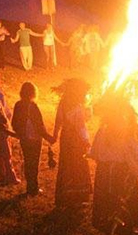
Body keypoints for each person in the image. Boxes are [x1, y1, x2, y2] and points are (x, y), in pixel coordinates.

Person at [90, 95, 138, 234]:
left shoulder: (101, 132)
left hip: (104, 172)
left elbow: (94, 153)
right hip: (121, 173)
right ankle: (124, 227)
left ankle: (108, 225)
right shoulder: (125, 135)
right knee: (124, 199)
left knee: (107, 198)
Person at [53, 78, 92, 208]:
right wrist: (86, 141)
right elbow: (80, 126)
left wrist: (55, 135)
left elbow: (58, 120)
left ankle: (65, 195)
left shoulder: (63, 103)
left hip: (66, 137)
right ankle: (77, 197)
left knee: (66, 164)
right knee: (77, 165)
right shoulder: (76, 106)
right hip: (75, 139)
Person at [12, 82, 53, 194]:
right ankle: (33, 188)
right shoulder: (33, 106)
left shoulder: (18, 105)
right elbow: (39, 125)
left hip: (24, 138)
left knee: (28, 161)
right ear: (33, 93)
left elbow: (14, 123)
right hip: (34, 139)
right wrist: (49, 138)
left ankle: (30, 187)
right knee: (34, 164)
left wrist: (20, 132)